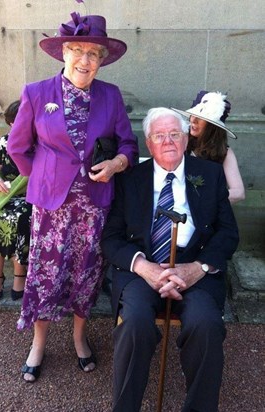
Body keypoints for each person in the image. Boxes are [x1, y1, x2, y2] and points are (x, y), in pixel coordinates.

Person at [7, 4, 138, 383]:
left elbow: (129, 147)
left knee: (85, 274)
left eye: (94, 54)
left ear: (101, 61)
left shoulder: (111, 96)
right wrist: (43, 178)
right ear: (64, 52)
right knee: (46, 275)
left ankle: (80, 338)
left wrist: (116, 164)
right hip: (51, 207)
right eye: (78, 51)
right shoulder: (36, 93)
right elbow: (18, 147)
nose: (85, 60)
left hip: (94, 207)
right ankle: (38, 343)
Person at [101, 107, 239, 412]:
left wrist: (198, 268)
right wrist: (144, 267)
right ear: (149, 144)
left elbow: (228, 234)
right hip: (141, 271)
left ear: (186, 139)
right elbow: (110, 238)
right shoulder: (130, 179)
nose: (168, 141)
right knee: (134, 323)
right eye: (159, 136)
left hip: (195, 271)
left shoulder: (210, 174)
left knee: (205, 325)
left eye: (174, 134)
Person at [173, 90, 245, 204]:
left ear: (213, 126)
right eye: (193, 115)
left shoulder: (224, 152)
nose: (193, 120)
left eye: (201, 118)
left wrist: (207, 197)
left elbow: (239, 192)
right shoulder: (180, 141)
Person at [0, 100, 32, 301]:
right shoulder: (3, 142)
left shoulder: (38, 144)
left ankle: (20, 276)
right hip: (5, 196)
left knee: (22, 218)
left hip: (30, 196)